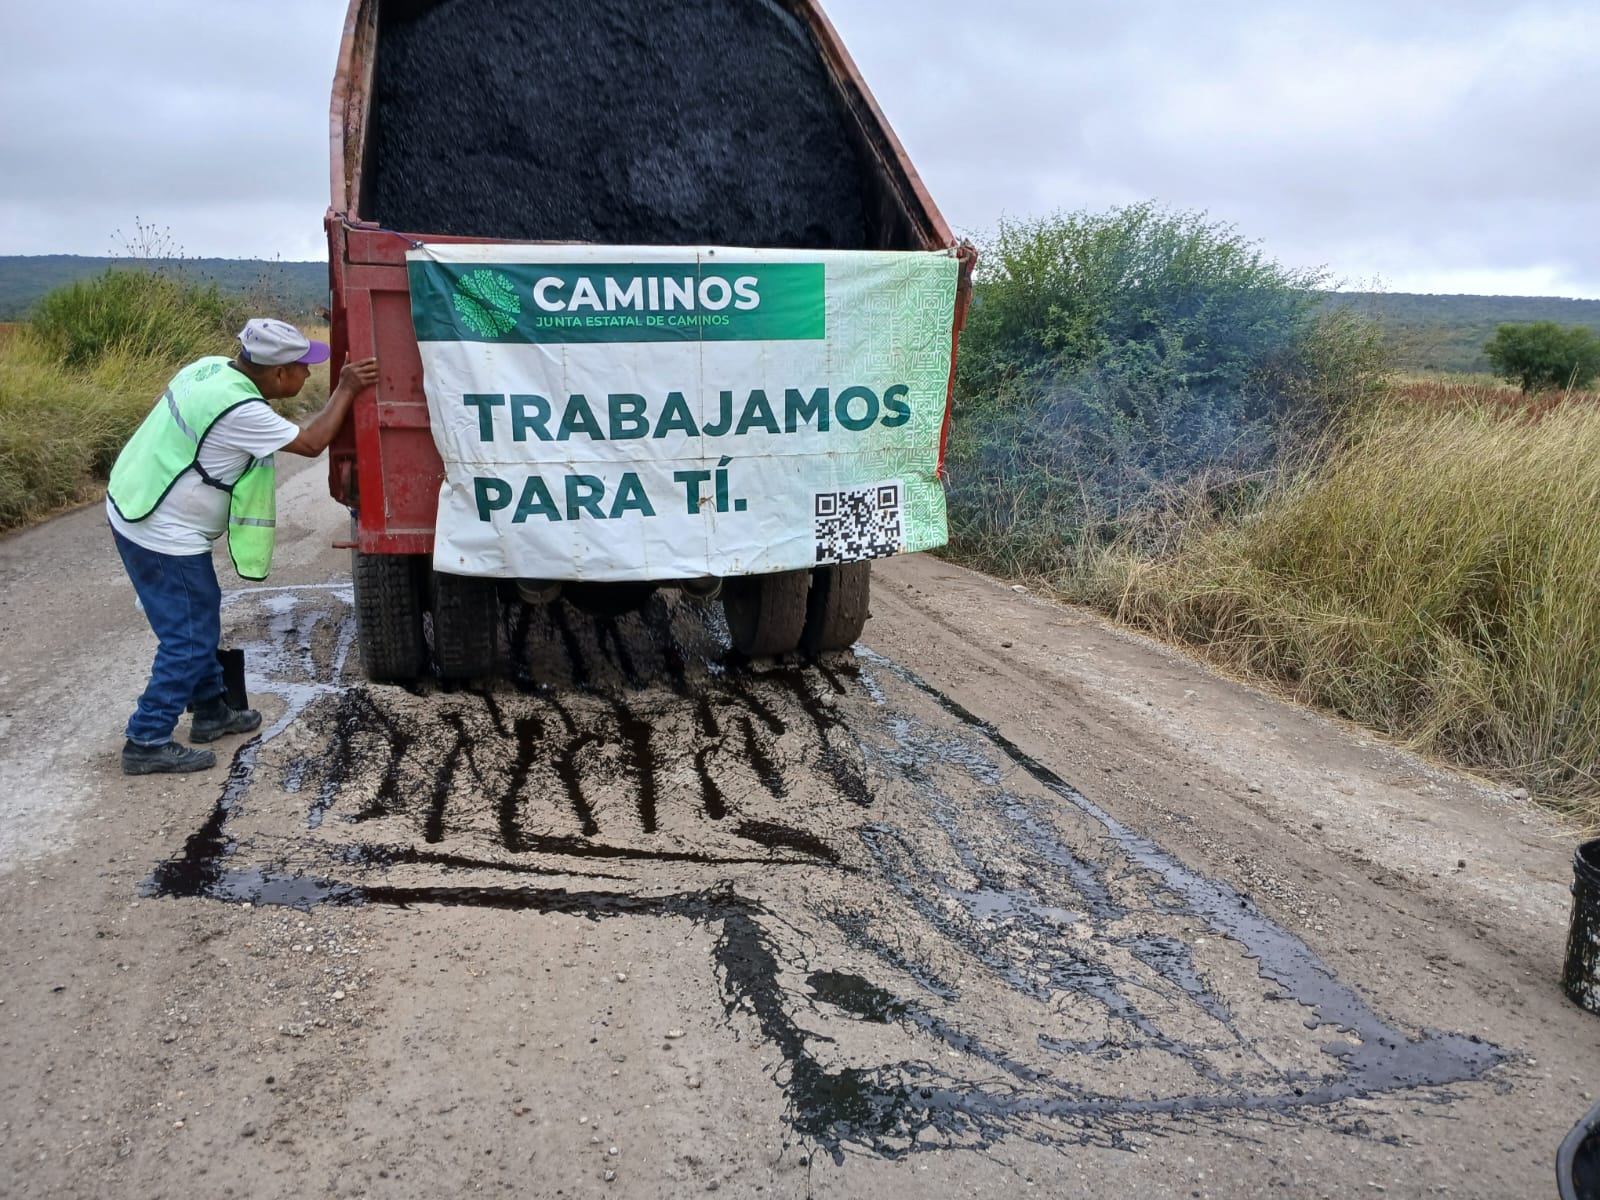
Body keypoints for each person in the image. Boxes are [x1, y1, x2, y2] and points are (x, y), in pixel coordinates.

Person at [106, 318, 379, 775]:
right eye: (301, 368)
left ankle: (212, 711)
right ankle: (147, 737)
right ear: (276, 375)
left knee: (199, 616)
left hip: (135, 500)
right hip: (159, 528)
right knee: (189, 635)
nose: (308, 376)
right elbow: (313, 443)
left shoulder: (209, 368)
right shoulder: (241, 411)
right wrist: (347, 388)